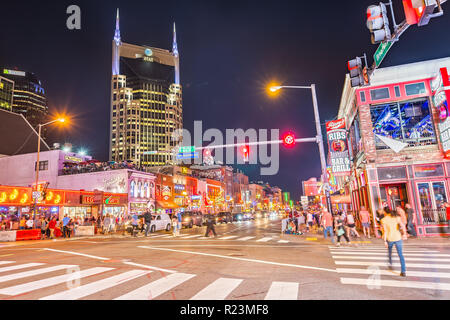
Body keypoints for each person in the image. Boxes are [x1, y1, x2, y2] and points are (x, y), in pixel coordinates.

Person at [381, 207, 408, 277]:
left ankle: (390, 263)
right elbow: (402, 226)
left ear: (385, 212)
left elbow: (385, 231)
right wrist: (404, 234)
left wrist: (384, 241)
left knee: (389, 251)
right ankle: (403, 271)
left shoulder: (383, 220)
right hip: (398, 238)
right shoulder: (396, 217)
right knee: (400, 255)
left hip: (390, 239)